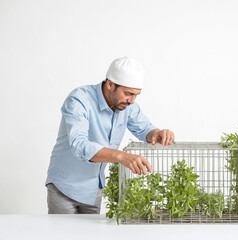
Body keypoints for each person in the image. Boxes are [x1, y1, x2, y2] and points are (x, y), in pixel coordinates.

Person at [45, 57, 175, 214]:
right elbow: (79, 145)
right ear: (110, 84)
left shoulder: (127, 105)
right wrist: (122, 157)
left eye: (136, 95)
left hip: (94, 190)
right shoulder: (79, 99)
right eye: (128, 93)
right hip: (65, 187)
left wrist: (157, 133)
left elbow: (144, 128)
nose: (132, 101)